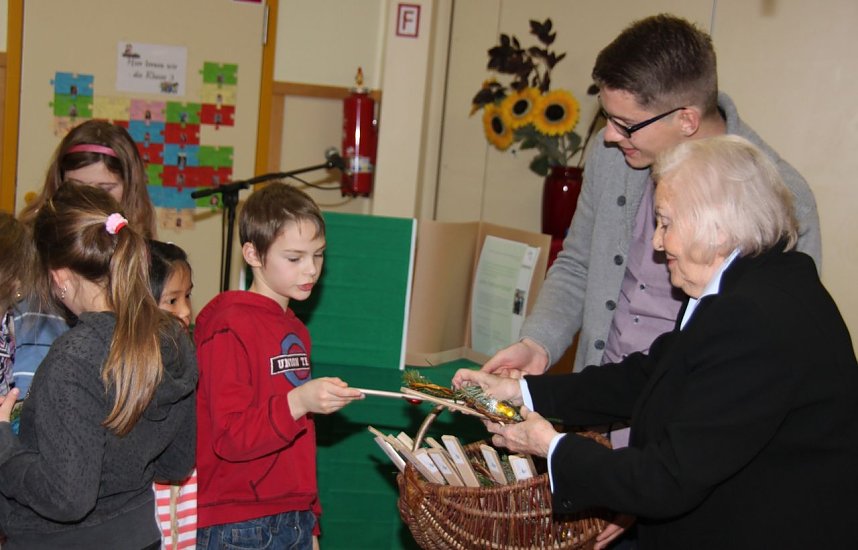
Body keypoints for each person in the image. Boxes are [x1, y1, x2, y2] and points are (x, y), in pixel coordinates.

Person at [454, 135, 858, 550]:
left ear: (715, 228)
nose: (657, 243)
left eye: (665, 223)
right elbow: (648, 375)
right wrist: (521, 391)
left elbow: (669, 479)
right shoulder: (755, 280)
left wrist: (551, 446)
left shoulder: (752, 317)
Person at [482, 14, 821, 379]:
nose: (609, 136)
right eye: (606, 118)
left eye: (625, 125)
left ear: (686, 120)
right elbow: (578, 264)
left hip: (691, 422)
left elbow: (780, 346)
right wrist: (537, 344)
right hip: (594, 405)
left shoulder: (782, 197)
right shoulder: (612, 156)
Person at [0, 183, 197, 549]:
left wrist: (3, 447)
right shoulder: (174, 337)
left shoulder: (73, 358)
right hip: (139, 537)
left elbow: (68, 498)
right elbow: (176, 464)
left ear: (58, 278)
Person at [194, 182, 364, 549]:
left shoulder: (296, 330)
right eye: (295, 258)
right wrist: (298, 402)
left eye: (318, 255)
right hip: (238, 521)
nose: (311, 270)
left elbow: (301, 438)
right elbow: (229, 436)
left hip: (293, 516)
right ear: (253, 254)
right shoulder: (228, 324)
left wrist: (311, 519)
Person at [13, 119, 158, 399]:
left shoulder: (141, 254)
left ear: (129, 189)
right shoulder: (28, 243)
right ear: (59, 183)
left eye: (105, 189)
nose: (88, 198)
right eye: (77, 185)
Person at [147, 240, 197, 549]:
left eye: (188, 295)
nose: (186, 311)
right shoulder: (131, 369)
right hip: (148, 504)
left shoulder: (190, 356)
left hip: (188, 498)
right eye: (173, 301)